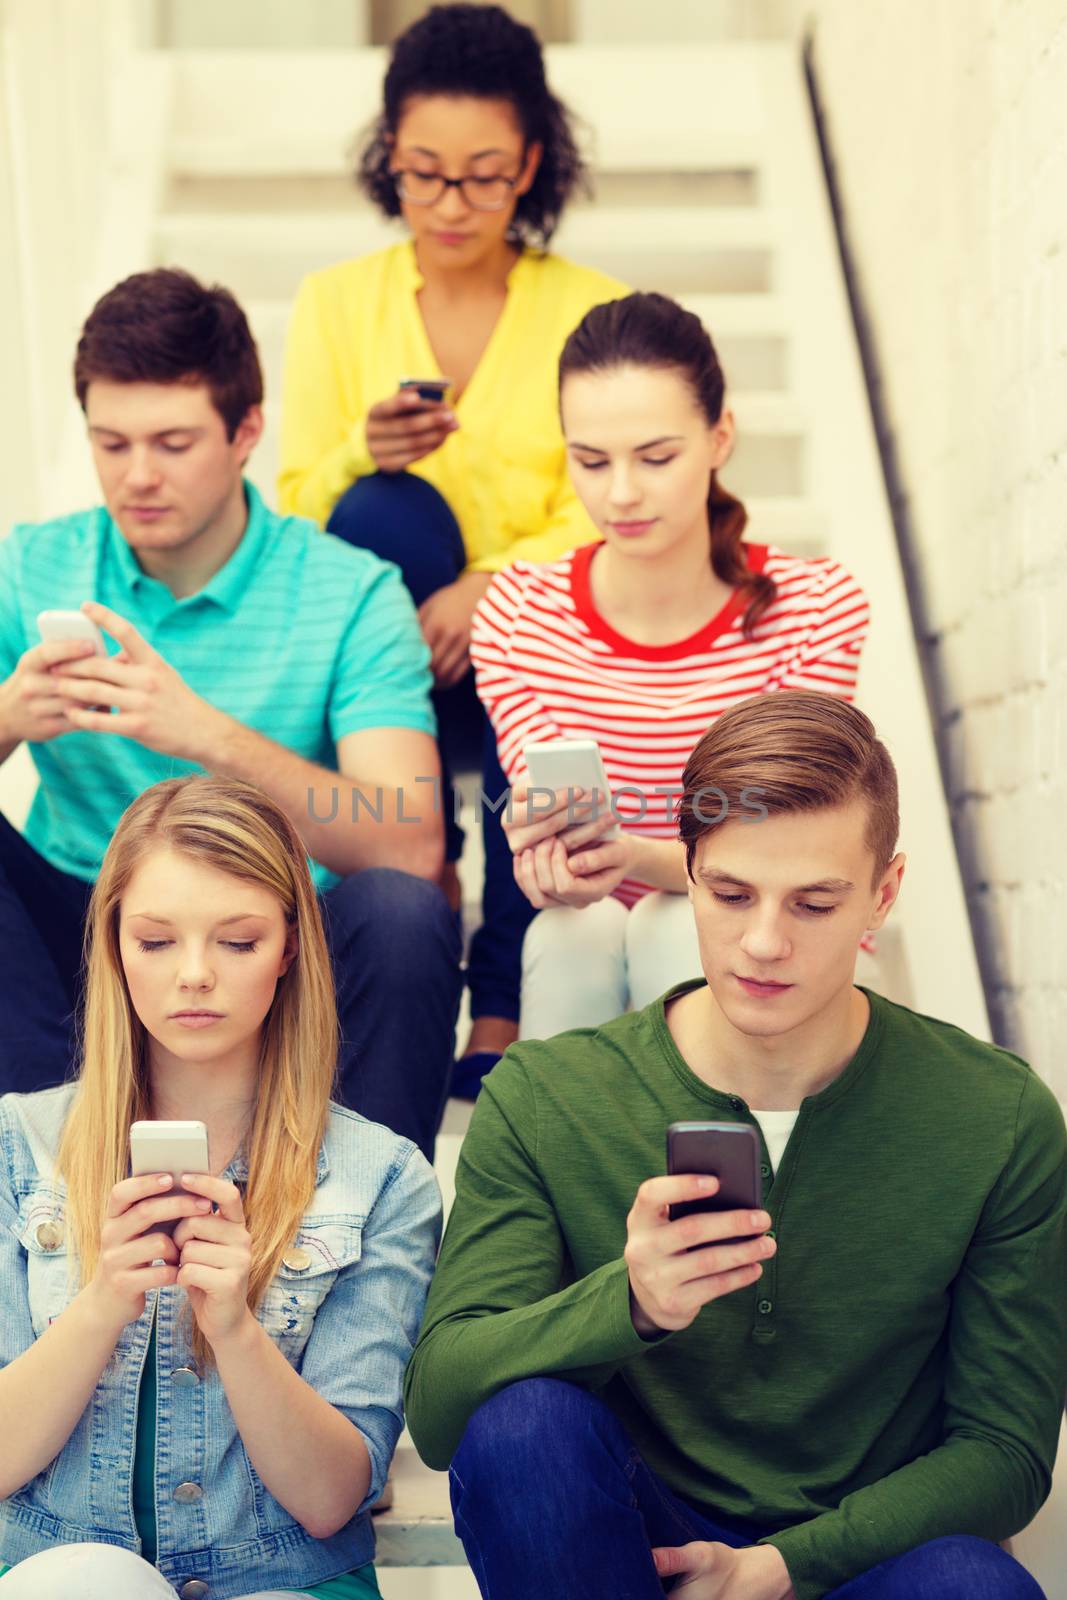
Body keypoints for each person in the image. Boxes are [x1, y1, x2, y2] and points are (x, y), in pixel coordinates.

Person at [404, 690, 1067, 1600]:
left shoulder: (997, 1115)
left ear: (884, 892)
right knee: (521, 1429)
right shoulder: (546, 1093)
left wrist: (786, 1567)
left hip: (860, 1559)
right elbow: (442, 1414)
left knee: (975, 1585)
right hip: (635, 1546)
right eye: (729, 893)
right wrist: (628, 1301)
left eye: (814, 903)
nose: (762, 943)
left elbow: (1004, 1452)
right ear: (686, 870)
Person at [0, 267, 461, 1160]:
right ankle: (30, 1189)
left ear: (246, 431)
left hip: (274, 945)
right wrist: (11, 716)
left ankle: (360, 1230)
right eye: (111, 443)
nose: (136, 477)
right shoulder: (31, 565)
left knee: (404, 913)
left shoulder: (349, 593)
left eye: (172, 443)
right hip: (87, 933)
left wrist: (198, 733)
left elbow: (407, 841)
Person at [278, 2, 627, 1093]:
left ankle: (504, 987)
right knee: (384, 509)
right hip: (394, 659)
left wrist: (493, 586)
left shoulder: (591, 311)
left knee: (543, 636)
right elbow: (295, 507)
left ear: (528, 164)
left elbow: (614, 493)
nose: (448, 202)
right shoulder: (337, 303)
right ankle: (417, 880)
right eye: (422, 172)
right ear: (390, 159)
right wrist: (356, 446)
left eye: (480, 175)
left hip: (527, 648)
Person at [0, 774, 441, 1599]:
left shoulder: (383, 1180)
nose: (194, 975)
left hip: (284, 1572)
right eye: (156, 941)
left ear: (289, 951)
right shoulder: (15, 1147)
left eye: (236, 942)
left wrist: (235, 1327)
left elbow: (329, 1498)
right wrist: (101, 1304)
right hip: (51, 1560)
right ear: (112, 947)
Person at [470, 291, 870, 1044]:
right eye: (590, 460)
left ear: (720, 437)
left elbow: (786, 840)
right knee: (566, 934)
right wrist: (544, 851)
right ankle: (565, 1160)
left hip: (776, 935)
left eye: (656, 457)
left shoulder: (815, 608)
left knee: (667, 923)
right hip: (589, 937)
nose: (620, 493)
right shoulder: (519, 613)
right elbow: (539, 797)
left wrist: (639, 859)